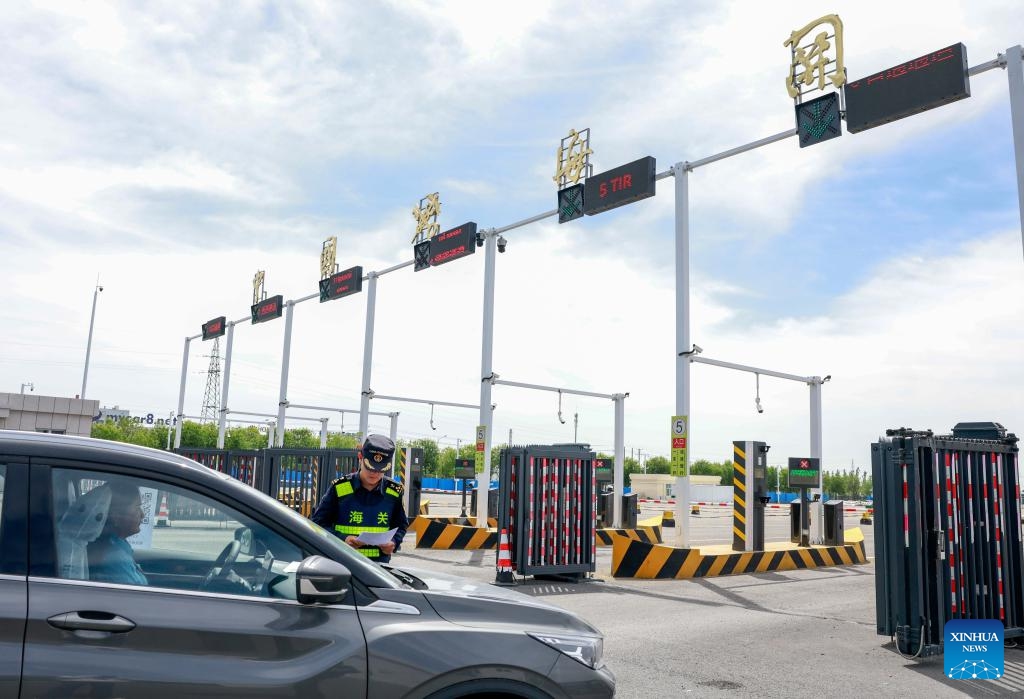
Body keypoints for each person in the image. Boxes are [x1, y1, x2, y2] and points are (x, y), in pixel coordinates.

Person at [311, 434, 409, 563]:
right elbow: (318, 523)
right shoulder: (340, 488)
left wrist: (394, 542)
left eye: (380, 469)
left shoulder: (393, 492)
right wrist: (342, 539)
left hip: (379, 567)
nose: (374, 473)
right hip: (343, 563)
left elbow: (401, 525)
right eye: (369, 467)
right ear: (360, 458)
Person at [88, 481, 148, 586]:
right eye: (137, 507)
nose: (142, 515)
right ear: (116, 516)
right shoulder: (114, 560)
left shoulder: (115, 544)